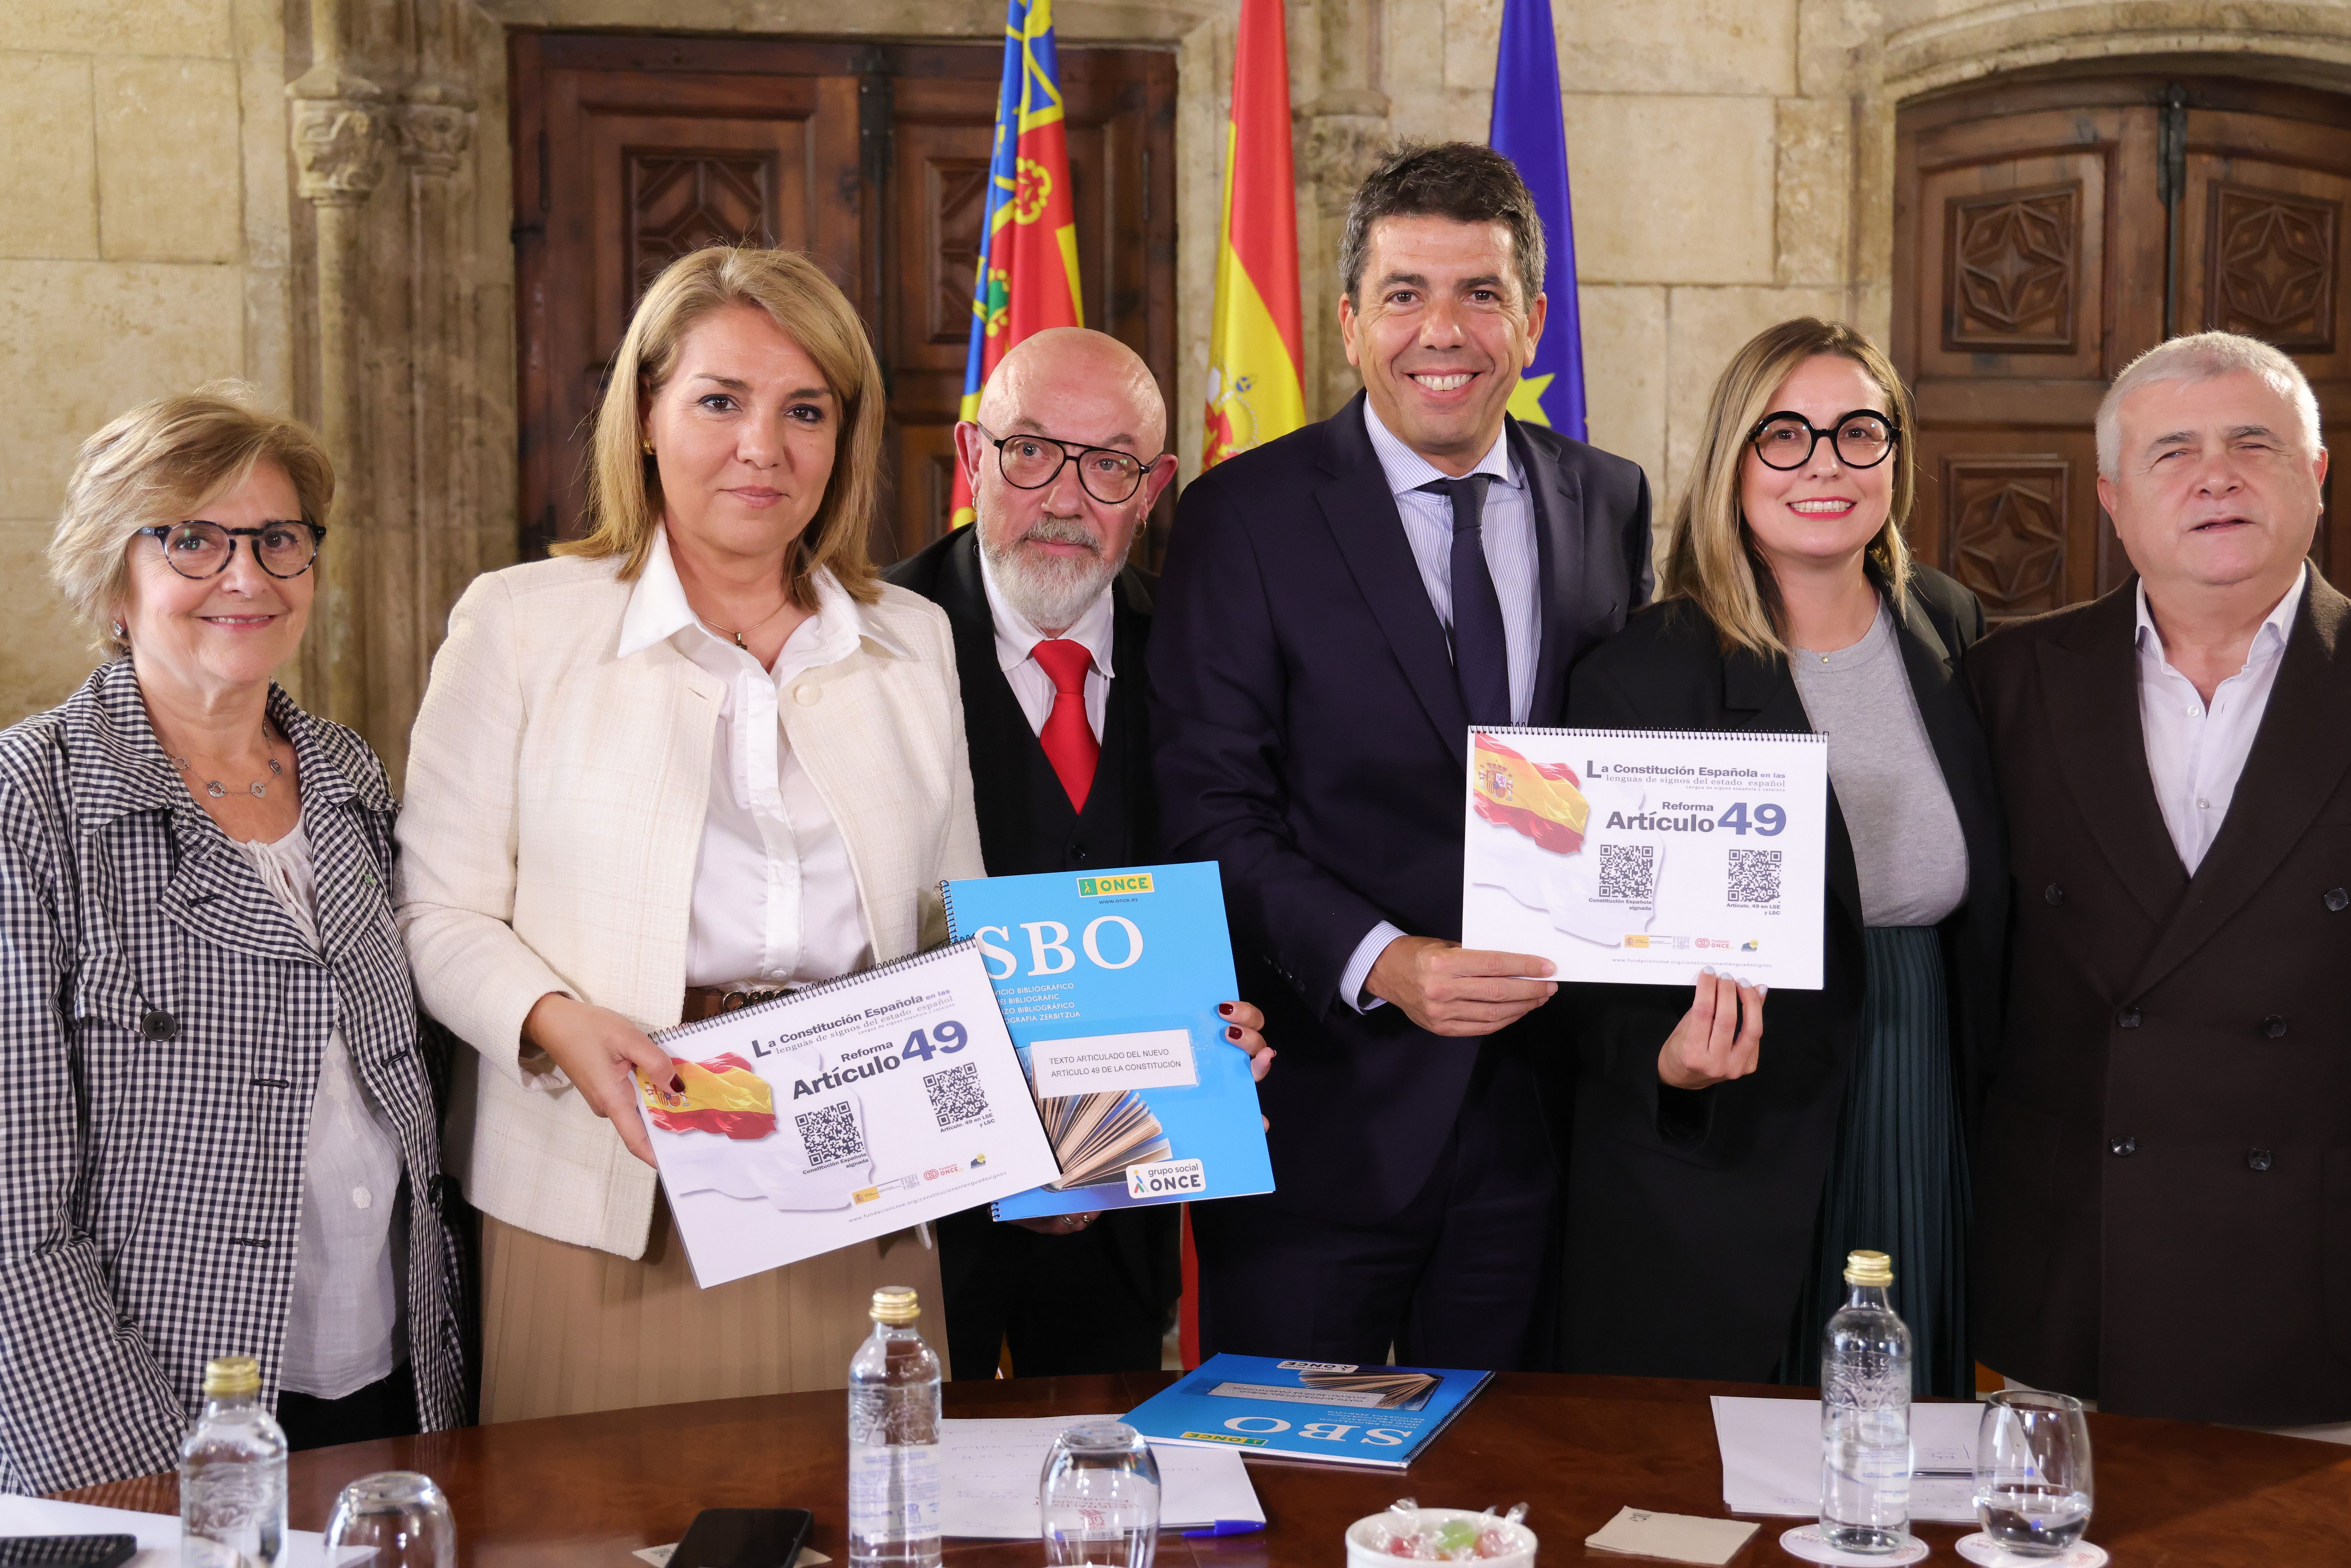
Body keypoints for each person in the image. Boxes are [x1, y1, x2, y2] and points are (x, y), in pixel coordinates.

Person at [396, 246, 977, 1420]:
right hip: (606, 1193)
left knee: (871, 1527)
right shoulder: (519, 625)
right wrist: (559, 1025)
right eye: (721, 400)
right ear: (648, 416)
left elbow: (958, 923)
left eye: (805, 410)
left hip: (863, 1184)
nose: (764, 446)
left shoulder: (910, 638)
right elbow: (438, 913)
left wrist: (1132, 1043)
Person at [1149, 141, 1652, 1369]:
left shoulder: (1610, 500)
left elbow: (1631, 777)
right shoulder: (1241, 515)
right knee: (1290, 1501)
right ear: (1346, 323)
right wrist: (1384, 962)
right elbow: (1210, 810)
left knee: (1500, 1499)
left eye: (1481, 293)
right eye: (1404, 294)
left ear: (1532, 321)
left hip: (1543, 1125)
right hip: (1324, 1113)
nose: (1445, 330)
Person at [0, 386, 464, 1492]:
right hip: (163, 1407)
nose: (246, 576)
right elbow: (11, 1219)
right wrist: (146, 1481)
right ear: (116, 576)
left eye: (277, 540)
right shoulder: (31, 803)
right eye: (193, 540)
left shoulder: (350, 777)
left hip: (395, 1376)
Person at [1556, 319, 2005, 1398]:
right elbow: (1576, 966)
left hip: (1920, 1081)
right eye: (1785, 436)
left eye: (1858, 432)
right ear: (1732, 460)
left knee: (1910, 1434)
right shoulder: (1640, 674)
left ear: (1894, 452)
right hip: (1742, 1120)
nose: (1826, 465)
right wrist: (1665, 1064)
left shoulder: (1948, 621)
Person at [1969, 331, 2351, 1427]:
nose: (2215, 474)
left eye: (2253, 444)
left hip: (2313, 1282)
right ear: (2111, 499)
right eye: (2172, 451)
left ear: (2314, 477)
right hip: (2070, 1278)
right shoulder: (2003, 684)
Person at [887, 327, 1273, 1380]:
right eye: (1031, 451)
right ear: (973, 456)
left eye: (1105, 465)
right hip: (920, 1202)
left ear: (1152, 488)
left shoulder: (1206, 648)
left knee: (1097, 1491)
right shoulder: (869, 645)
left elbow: (1249, 866)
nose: (1065, 497)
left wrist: (1246, 1009)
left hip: (1132, 1187)